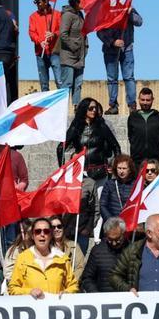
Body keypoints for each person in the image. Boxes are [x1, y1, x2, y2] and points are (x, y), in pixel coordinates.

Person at [59, 98, 120, 250]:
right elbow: (61, 147)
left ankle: (98, 238)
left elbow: (116, 147)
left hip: (100, 171)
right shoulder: (76, 127)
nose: (94, 111)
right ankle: (79, 233)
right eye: (90, 108)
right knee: (82, 204)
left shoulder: (102, 126)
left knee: (100, 205)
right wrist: (63, 170)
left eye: (95, 108)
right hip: (82, 173)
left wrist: (114, 165)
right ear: (84, 110)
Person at [8, 217, 79, 297]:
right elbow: (13, 288)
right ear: (32, 235)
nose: (42, 234)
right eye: (38, 231)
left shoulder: (63, 258)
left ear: (51, 235)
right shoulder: (22, 258)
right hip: (32, 308)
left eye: (46, 231)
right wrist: (29, 292)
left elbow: (73, 285)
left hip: (55, 308)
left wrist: (67, 293)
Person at [97, 8, 143, 114]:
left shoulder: (128, 5)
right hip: (110, 50)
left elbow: (139, 22)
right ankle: (113, 106)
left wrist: (130, 12)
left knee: (129, 77)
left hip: (127, 48)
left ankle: (132, 106)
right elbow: (99, 31)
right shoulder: (105, 9)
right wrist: (113, 41)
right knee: (112, 79)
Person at [80, 217, 127, 293]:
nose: (114, 243)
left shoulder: (131, 249)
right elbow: (87, 278)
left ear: (123, 233)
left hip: (126, 300)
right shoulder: (97, 251)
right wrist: (96, 294)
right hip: (103, 300)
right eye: (110, 240)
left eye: (117, 239)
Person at [58, 0, 87, 105]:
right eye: (83, 0)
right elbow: (63, 34)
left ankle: (77, 107)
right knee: (67, 84)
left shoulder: (80, 15)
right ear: (76, 1)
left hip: (80, 56)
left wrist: (85, 47)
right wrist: (74, 46)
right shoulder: (67, 15)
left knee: (78, 84)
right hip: (68, 56)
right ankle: (62, 107)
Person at [29, 0, 62, 92]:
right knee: (44, 85)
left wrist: (54, 34)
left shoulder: (57, 14)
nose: (36, 4)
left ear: (46, 2)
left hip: (55, 52)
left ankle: (62, 106)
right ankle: (47, 108)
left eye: (38, 2)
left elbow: (62, 30)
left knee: (59, 81)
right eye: (35, 2)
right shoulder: (33, 17)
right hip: (40, 53)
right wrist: (40, 41)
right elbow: (31, 32)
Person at [128, 88, 159, 169]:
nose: (145, 102)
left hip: (154, 160)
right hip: (136, 161)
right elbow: (130, 136)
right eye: (143, 100)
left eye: (148, 100)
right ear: (138, 100)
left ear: (152, 100)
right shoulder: (132, 117)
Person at [48, 215, 86, 280]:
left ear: (63, 228)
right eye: (53, 227)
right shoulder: (45, 247)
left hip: (70, 284)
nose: (56, 229)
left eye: (59, 226)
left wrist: (71, 282)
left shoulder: (74, 246)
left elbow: (80, 267)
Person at [99, 155, 136, 221]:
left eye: (124, 168)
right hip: (113, 223)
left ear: (130, 169)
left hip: (130, 221)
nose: (121, 171)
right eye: (119, 168)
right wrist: (111, 220)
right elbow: (102, 205)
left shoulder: (135, 184)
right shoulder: (109, 184)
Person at [3, 218, 34, 287]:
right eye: (30, 233)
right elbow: (8, 275)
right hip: (20, 292)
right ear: (24, 233)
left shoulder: (37, 249)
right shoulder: (14, 251)